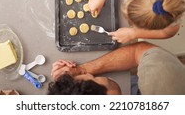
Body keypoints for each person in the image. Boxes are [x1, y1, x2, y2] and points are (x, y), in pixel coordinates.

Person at [48, 42, 185, 95]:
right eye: (91, 79)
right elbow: (138, 52)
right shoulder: (164, 86)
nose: (90, 75)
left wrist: (81, 70)